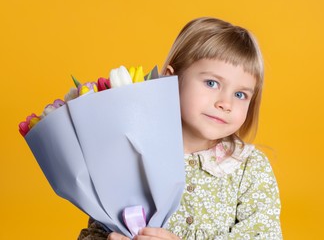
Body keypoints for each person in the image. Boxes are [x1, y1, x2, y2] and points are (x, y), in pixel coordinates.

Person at [78, 17, 282, 239]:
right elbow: (97, 228)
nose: (226, 103)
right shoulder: (134, 156)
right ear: (170, 78)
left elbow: (263, 235)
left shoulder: (248, 167)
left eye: (240, 94)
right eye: (212, 83)